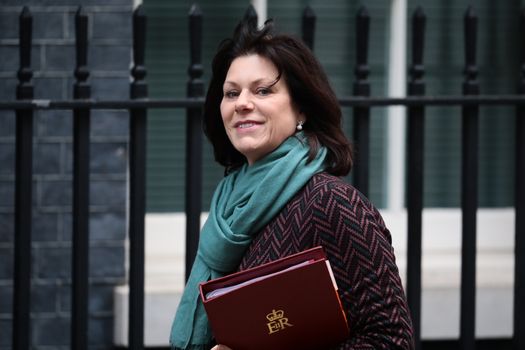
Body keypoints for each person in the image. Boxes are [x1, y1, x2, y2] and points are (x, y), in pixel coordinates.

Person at [170, 18, 414, 350]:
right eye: (231, 93)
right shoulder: (228, 206)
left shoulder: (332, 203)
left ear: (301, 108)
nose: (242, 103)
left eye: (263, 90)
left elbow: (392, 340)